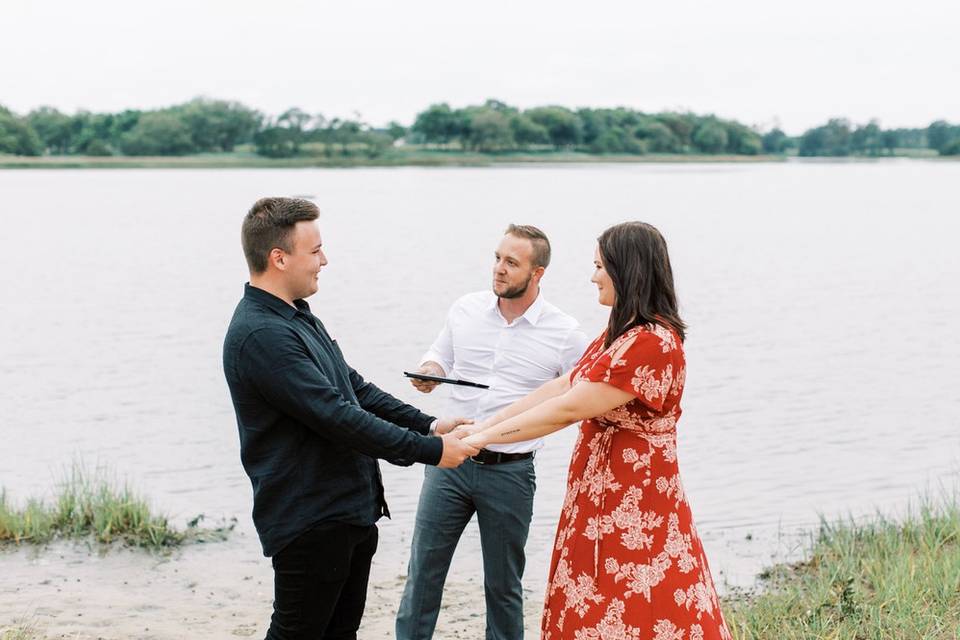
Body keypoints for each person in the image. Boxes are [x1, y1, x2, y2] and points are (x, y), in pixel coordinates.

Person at [221, 197, 479, 640]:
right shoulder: (262, 334)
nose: (325, 260)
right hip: (310, 517)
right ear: (278, 258)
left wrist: (429, 425)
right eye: (315, 250)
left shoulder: (297, 315)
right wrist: (431, 452)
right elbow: (336, 415)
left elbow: (351, 386)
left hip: (349, 511)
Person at [463, 222, 732, 640]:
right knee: (593, 593)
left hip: (636, 500)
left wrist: (483, 440)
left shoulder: (653, 342)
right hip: (599, 490)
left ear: (628, 271)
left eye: (600, 267)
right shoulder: (616, 335)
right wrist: (486, 425)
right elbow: (559, 387)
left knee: (639, 596)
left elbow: (568, 410)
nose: (593, 277)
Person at [396, 225, 589, 640]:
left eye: (511, 263)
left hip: (510, 472)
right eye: (497, 258)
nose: (499, 269)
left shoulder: (566, 333)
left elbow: (581, 395)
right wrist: (430, 373)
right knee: (422, 575)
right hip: (448, 461)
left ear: (537, 273)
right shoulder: (465, 308)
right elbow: (439, 356)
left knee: (503, 587)